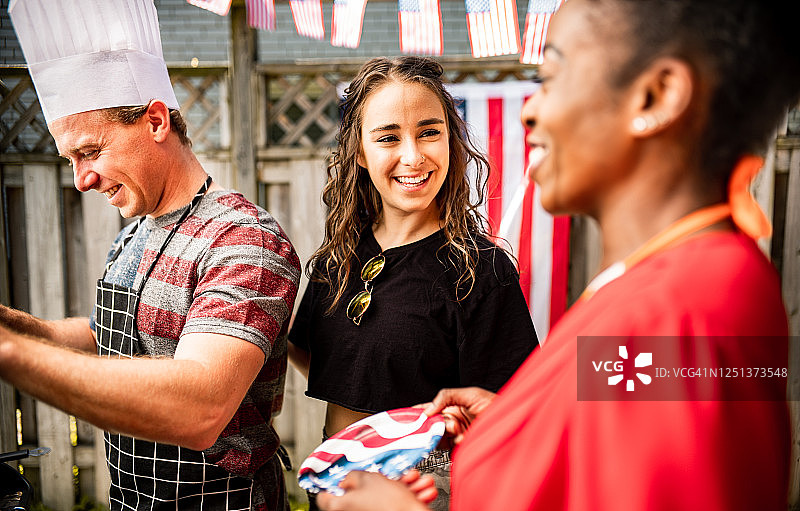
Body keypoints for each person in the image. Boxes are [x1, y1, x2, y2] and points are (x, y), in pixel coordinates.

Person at [314, 0, 800, 510]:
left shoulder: (690, 309)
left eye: (551, 76)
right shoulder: (649, 287)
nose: (530, 109)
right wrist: (523, 413)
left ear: (656, 96)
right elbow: (617, 409)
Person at [1, 1, 300, 510]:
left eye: (91, 152)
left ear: (156, 120)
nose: (80, 180)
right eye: (71, 159)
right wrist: (21, 328)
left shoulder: (245, 241)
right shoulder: (136, 231)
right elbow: (119, 339)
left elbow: (198, 408)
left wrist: (10, 354)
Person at [287, 56, 538, 510]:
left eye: (429, 132)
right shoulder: (338, 256)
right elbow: (310, 352)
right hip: (332, 477)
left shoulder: (480, 270)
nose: (413, 155)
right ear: (359, 153)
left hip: (426, 489)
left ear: (452, 139)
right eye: (388, 138)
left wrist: (417, 452)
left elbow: (518, 410)